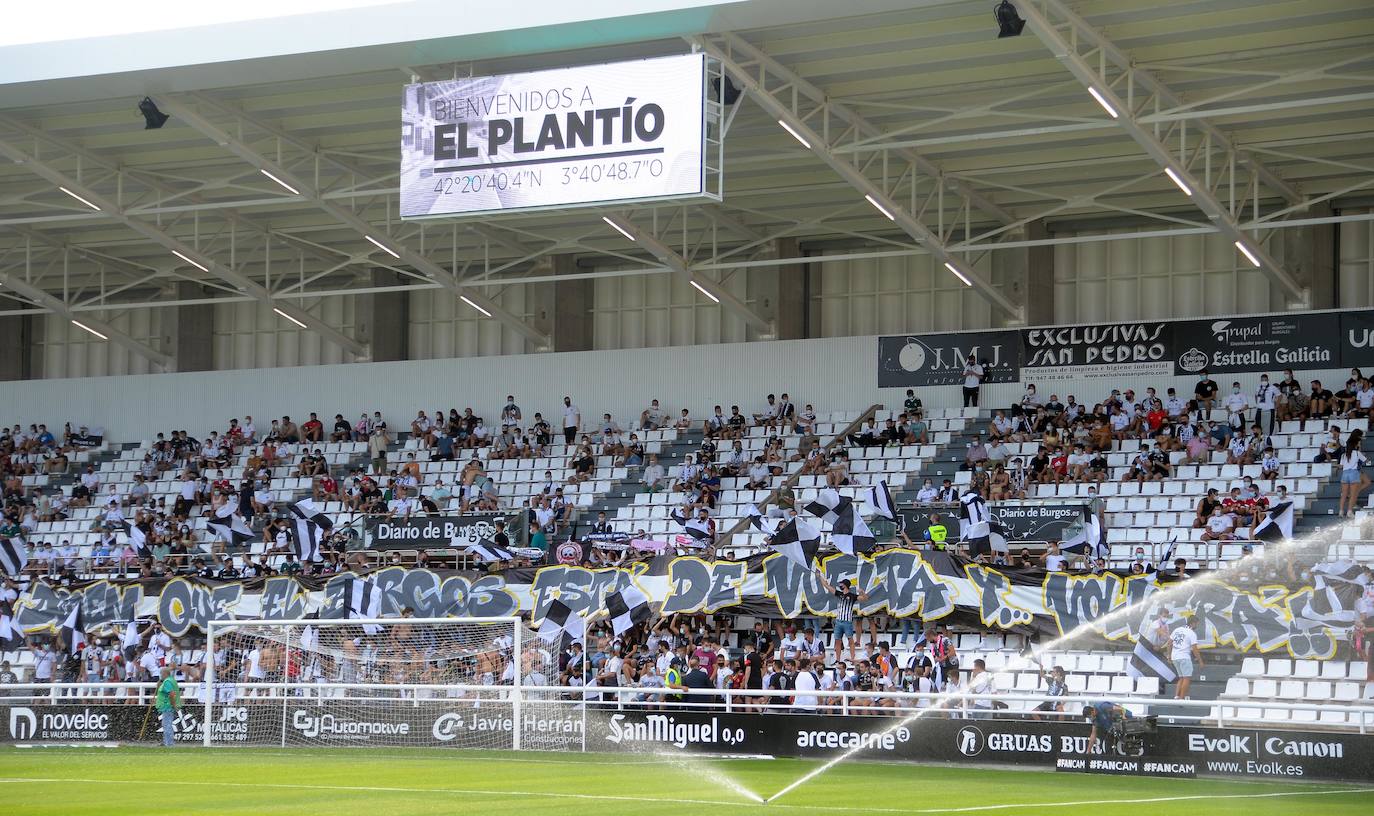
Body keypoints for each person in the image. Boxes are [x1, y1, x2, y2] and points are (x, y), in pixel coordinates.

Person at [818, 575, 869, 665]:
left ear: (845, 585)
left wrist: (862, 592)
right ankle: (838, 660)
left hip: (847, 622)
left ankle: (852, 659)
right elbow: (827, 586)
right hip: (838, 621)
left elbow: (865, 599)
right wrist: (820, 577)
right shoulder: (839, 594)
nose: (840, 585)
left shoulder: (852, 596)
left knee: (850, 640)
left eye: (841, 584)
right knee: (837, 641)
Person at [1170, 616, 1203, 699]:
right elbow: (1195, 649)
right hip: (1184, 657)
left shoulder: (1177, 630)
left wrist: (1168, 656)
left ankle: (1176, 696)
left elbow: (1169, 643)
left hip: (1174, 657)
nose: (1197, 626)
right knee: (1186, 678)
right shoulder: (1191, 633)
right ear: (1193, 623)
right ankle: (1181, 698)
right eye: (1197, 624)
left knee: (1181, 678)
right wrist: (1200, 661)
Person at [1338, 433, 1369, 517]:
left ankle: (1340, 511)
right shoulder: (1357, 453)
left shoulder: (1344, 455)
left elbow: (1340, 466)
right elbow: (1365, 460)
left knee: (1344, 494)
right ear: (1355, 445)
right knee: (1353, 494)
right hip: (1354, 473)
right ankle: (1349, 511)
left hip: (1345, 474)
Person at [156, 665, 181, 747]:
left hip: (167, 706)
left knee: (167, 725)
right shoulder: (171, 680)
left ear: (164, 673)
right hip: (167, 706)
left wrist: (173, 705)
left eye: (161, 673)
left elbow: (171, 694)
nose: (160, 675)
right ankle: (166, 741)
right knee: (166, 724)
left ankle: (169, 743)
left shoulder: (167, 682)